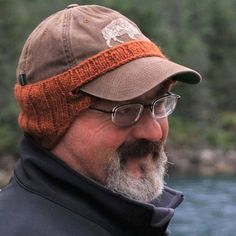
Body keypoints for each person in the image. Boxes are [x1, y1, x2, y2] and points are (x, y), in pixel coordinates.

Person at [0, 4, 202, 236]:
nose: (154, 132)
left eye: (159, 103)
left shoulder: (128, 221)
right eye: (124, 110)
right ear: (53, 123)